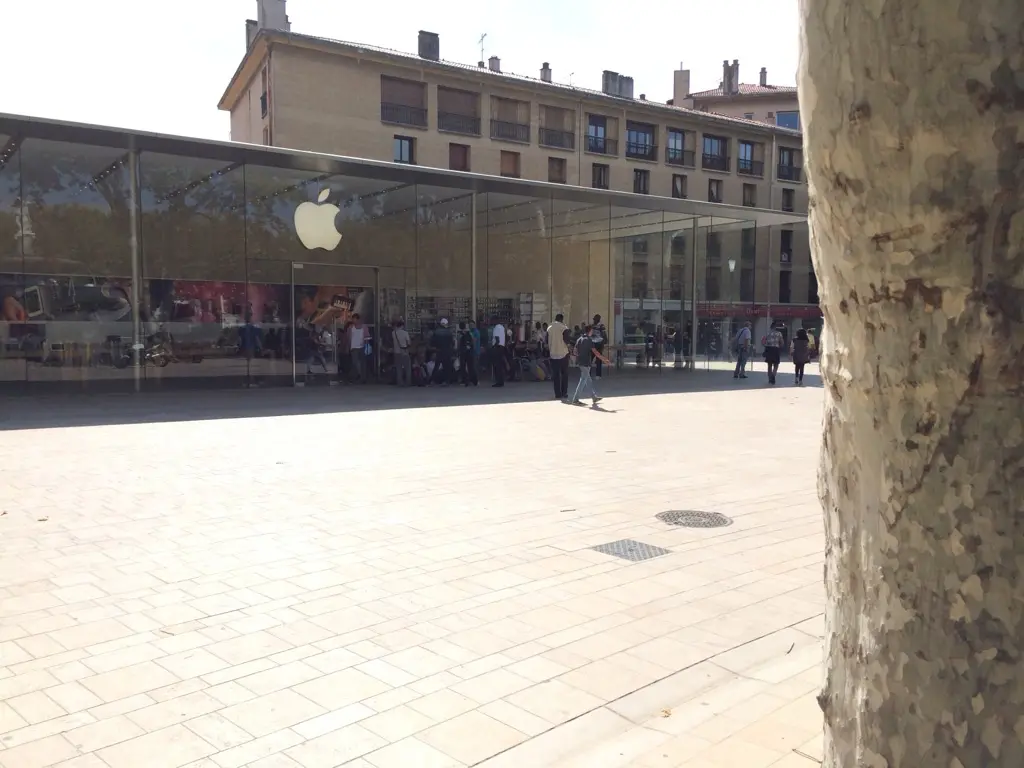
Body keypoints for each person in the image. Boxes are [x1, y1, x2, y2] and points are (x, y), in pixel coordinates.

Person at [571, 325, 612, 406]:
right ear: (589, 331)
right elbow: (596, 353)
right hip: (586, 363)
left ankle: (594, 397)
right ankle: (575, 399)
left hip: (581, 362)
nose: (592, 332)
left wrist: (579, 356)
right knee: (583, 380)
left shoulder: (579, 339)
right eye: (592, 331)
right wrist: (605, 360)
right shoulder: (589, 340)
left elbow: (575, 352)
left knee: (588, 380)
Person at [547, 313, 571, 400]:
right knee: (564, 374)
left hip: (553, 354)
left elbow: (547, 340)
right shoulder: (563, 328)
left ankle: (557, 394)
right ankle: (564, 392)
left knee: (556, 375)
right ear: (561, 319)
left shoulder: (549, 328)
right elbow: (567, 340)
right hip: (563, 354)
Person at [430, 318, 455, 385]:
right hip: (447, 351)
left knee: (437, 366)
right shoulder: (449, 332)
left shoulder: (436, 332)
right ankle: (446, 381)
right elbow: (452, 343)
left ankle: (432, 380)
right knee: (447, 367)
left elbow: (432, 342)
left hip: (439, 351)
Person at [457, 321, 478, 386]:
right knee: (471, 367)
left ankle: (465, 381)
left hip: (463, 352)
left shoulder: (460, 334)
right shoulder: (470, 333)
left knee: (463, 367)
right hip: (470, 352)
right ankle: (475, 381)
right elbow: (474, 342)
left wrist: (458, 351)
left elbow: (458, 343)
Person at [348, 313, 368, 383]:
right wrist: (349, 346)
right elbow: (349, 337)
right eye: (353, 319)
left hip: (362, 347)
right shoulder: (351, 327)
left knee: (363, 362)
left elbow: (366, 337)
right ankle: (358, 375)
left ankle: (363, 377)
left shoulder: (364, 327)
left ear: (358, 319)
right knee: (355, 362)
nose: (354, 321)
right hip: (354, 347)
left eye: (355, 319)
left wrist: (366, 344)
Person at [392, 319, 412, 387]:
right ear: (402, 325)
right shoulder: (405, 333)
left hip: (396, 352)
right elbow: (409, 343)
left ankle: (400, 382)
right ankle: (408, 382)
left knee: (398, 368)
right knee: (407, 368)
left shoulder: (393, 333)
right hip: (404, 352)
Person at [490, 315, 506, 387]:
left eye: (492, 320)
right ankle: (501, 380)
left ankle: (498, 381)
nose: (491, 322)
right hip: (502, 347)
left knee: (497, 365)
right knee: (500, 365)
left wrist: (494, 347)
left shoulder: (496, 328)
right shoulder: (502, 327)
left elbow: (497, 338)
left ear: (495, 320)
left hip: (497, 347)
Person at [591, 314, 607, 379]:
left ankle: (598, 375)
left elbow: (604, 335)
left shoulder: (601, 326)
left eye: (595, 319)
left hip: (599, 344)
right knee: (590, 359)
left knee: (598, 360)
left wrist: (603, 344)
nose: (594, 320)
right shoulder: (592, 326)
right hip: (593, 344)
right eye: (593, 319)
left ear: (598, 319)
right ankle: (588, 374)